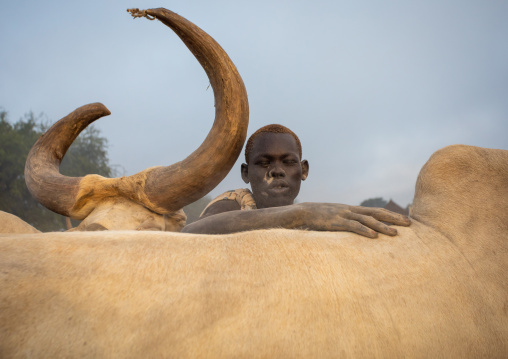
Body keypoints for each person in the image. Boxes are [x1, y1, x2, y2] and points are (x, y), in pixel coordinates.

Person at [182, 124, 410, 237]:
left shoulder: (317, 221)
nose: (276, 171)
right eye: (264, 163)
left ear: (303, 170)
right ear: (245, 173)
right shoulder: (235, 202)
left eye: (288, 162)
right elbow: (189, 233)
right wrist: (301, 214)